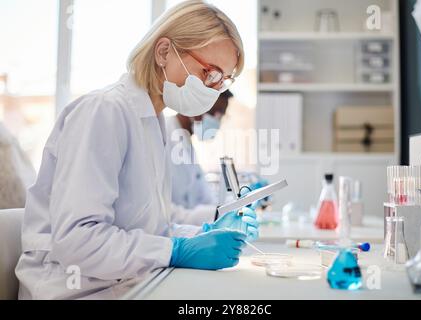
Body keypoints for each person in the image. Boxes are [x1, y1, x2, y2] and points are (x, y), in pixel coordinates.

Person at [15, 0, 259, 300]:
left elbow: (147, 230)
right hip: (72, 290)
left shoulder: (150, 120)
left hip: (124, 284)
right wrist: (178, 250)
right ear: (164, 52)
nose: (212, 90)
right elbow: (77, 240)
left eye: (221, 80)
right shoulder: (103, 112)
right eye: (209, 73)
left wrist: (202, 232)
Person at [166, 90, 233, 224]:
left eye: (221, 116)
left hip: (186, 230)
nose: (217, 121)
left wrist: (236, 205)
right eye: (214, 112)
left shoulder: (186, 142)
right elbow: (164, 211)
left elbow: (206, 199)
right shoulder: (165, 136)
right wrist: (217, 214)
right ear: (196, 105)